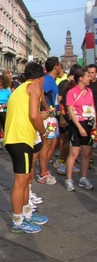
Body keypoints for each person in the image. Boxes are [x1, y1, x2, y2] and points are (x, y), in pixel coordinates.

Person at [4, 62, 49, 234]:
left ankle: (27, 214)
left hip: (17, 138)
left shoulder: (20, 89)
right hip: (20, 139)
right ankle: (17, 221)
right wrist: (43, 132)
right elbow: (32, 115)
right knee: (20, 182)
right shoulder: (35, 87)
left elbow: (27, 112)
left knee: (26, 179)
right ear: (39, 77)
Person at [64, 68, 95, 191]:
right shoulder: (72, 92)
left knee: (86, 153)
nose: (90, 77)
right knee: (74, 154)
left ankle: (83, 178)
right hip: (76, 124)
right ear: (80, 78)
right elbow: (70, 112)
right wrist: (80, 127)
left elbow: (92, 108)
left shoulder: (89, 91)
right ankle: (69, 179)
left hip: (88, 124)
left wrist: (94, 124)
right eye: (87, 75)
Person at [54, 64, 82, 175]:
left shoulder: (74, 85)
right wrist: (61, 117)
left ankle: (66, 162)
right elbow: (59, 101)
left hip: (72, 116)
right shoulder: (64, 84)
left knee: (71, 141)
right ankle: (61, 161)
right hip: (65, 116)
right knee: (70, 140)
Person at [37, 57, 61, 185]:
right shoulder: (47, 80)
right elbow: (40, 92)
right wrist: (47, 108)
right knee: (47, 145)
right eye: (60, 65)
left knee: (54, 144)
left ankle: (44, 169)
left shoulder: (52, 80)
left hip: (54, 116)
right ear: (56, 66)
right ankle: (42, 173)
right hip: (49, 117)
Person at [87, 64, 97, 169]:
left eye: (92, 73)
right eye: (88, 72)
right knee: (90, 139)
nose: (90, 75)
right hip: (89, 116)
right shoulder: (85, 85)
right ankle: (89, 159)